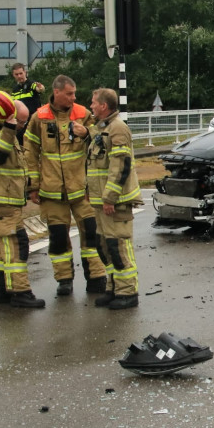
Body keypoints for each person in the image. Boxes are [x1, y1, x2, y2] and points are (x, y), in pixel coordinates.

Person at [24, 75, 106, 297]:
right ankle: (64, 280)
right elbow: (30, 153)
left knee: (91, 234)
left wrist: (88, 132)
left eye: (74, 93)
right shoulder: (39, 118)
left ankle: (97, 278)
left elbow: (103, 136)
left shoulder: (83, 114)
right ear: (57, 92)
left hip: (83, 189)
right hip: (52, 191)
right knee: (58, 238)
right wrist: (33, 186)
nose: (74, 97)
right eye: (69, 93)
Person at [0, 96, 45, 309]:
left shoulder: (8, 134)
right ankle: (20, 292)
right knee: (16, 245)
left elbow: (18, 168)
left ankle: (1, 290)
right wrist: (9, 129)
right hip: (1, 202)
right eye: (21, 121)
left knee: (4, 248)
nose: (23, 126)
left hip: (9, 201)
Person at [86, 88, 143, 310]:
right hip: (101, 201)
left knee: (118, 246)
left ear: (104, 106)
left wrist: (109, 198)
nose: (91, 106)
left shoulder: (118, 129)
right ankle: (113, 288)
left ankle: (128, 292)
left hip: (114, 202)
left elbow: (120, 166)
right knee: (104, 246)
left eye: (93, 103)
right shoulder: (103, 129)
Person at [10, 63, 45, 145]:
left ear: (25, 72)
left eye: (21, 73)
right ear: (13, 75)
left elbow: (39, 88)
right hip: (21, 124)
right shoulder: (15, 89)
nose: (19, 76)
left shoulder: (31, 84)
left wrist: (40, 88)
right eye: (16, 74)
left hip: (33, 122)